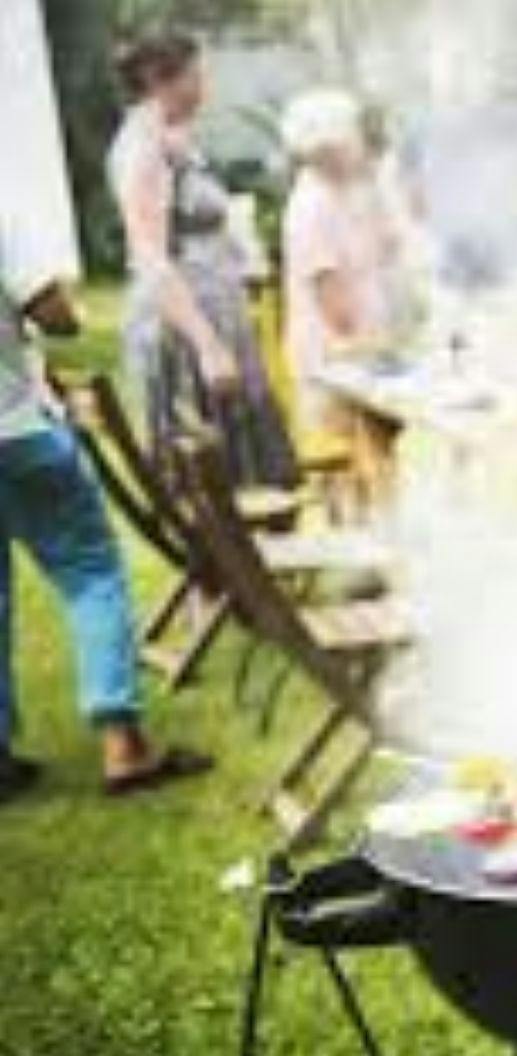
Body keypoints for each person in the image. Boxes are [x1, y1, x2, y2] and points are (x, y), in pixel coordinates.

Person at [0, 207, 212, 800]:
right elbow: (54, 316)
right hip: (16, 431)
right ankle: (123, 744)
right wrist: (70, 316)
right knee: (91, 573)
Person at [108, 31, 297, 491]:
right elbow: (151, 258)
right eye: (195, 74)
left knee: (251, 471)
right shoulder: (142, 150)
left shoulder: (170, 139)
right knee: (212, 479)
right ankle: (226, 560)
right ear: (158, 80)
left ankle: (249, 557)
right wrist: (208, 347)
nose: (204, 85)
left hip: (217, 307)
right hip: (186, 325)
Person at [280, 88, 406, 517]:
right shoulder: (311, 205)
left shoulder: (346, 191)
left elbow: (389, 247)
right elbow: (332, 302)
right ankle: (364, 549)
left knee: (379, 447)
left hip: (363, 348)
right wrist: (372, 350)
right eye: (353, 136)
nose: (360, 144)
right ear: (328, 148)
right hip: (335, 354)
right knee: (354, 456)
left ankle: (380, 539)